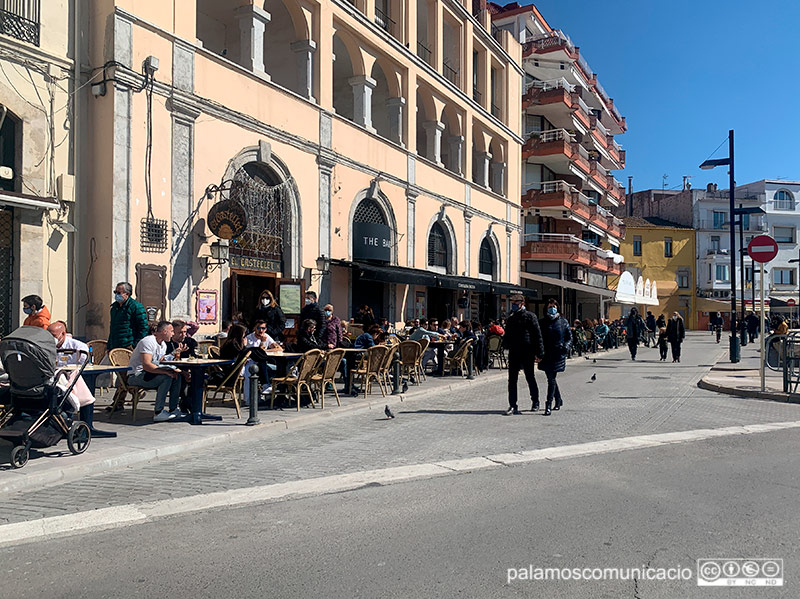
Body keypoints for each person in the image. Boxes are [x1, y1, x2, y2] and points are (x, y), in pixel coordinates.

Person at [127, 321, 183, 422]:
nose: (173, 334)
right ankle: (158, 412)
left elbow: (159, 361)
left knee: (176, 375)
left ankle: (173, 409)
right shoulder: (148, 342)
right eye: (171, 331)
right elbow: (147, 365)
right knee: (166, 377)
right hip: (136, 375)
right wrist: (166, 372)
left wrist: (173, 362)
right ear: (164, 331)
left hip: (149, 374)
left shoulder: (163, 345)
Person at [502, 294, 544, 415]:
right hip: (514, 352)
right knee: (512, 380)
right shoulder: (511, 318)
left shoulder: (530, 317)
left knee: (530, 377)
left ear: (522, 303)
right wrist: (505, 346)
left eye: (516, 302)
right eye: (512, 302)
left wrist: (539, 353)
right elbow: (508, 335)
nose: (513, 304)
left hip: (527, 351)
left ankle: (535, 402)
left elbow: (537, 335)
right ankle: (512, 405)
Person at [538, 299, 571, 416]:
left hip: (558, 354)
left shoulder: (563, 322)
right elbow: (539, 338)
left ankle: (548, 404)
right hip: (546, 354)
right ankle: (558, 399)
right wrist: (538, 353)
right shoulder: (542, 322)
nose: (552, 308)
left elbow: (569, 337)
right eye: (550, 306)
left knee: (551, 379)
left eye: (554, 306)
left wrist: (565, 347)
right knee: (551, 379)